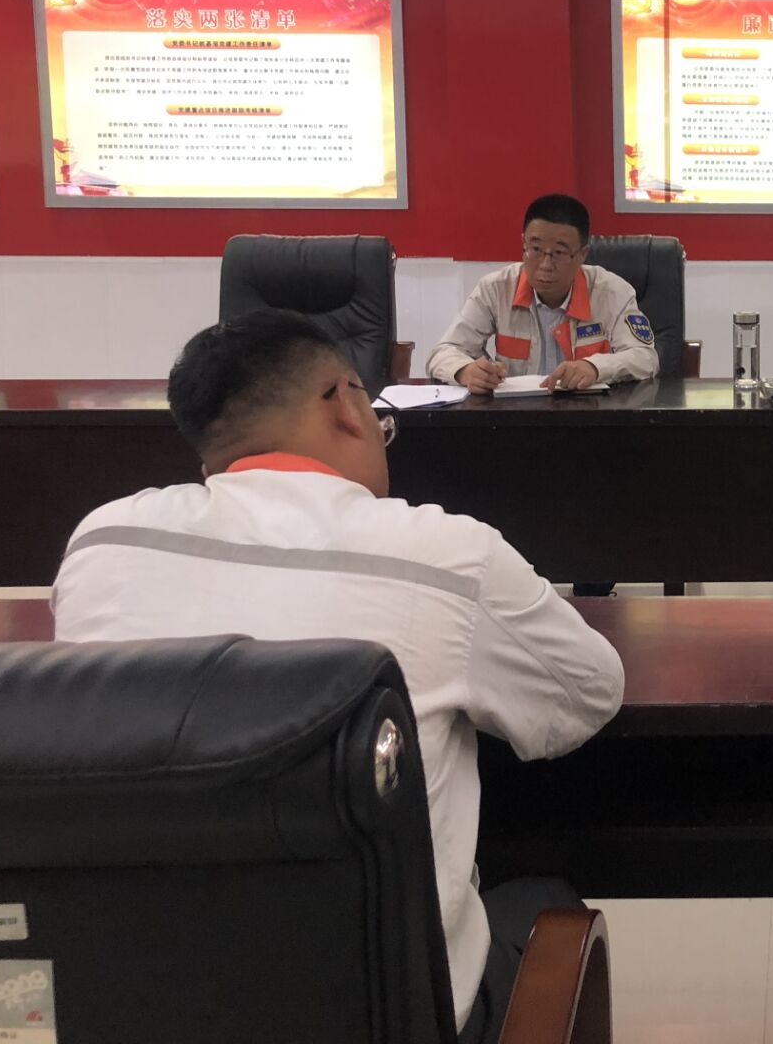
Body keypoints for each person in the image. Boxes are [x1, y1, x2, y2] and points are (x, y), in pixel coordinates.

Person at [53, 309, 625, 1044]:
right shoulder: (445, 556)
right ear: (344, 404)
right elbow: (588, 692)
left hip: (141, 1006)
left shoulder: (104, 540)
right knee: (544, 897)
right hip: (387, 1013)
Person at [429, 192, 658, 395]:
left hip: (589, 415)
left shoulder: (612, 292)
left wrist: (595, 368)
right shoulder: (496, 289)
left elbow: (645, 358)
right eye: (536, 249)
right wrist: (465, 371)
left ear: (582, 254)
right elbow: (443, 352)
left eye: (559, 253)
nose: (545, 265)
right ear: (523, 244)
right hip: (517, 416)